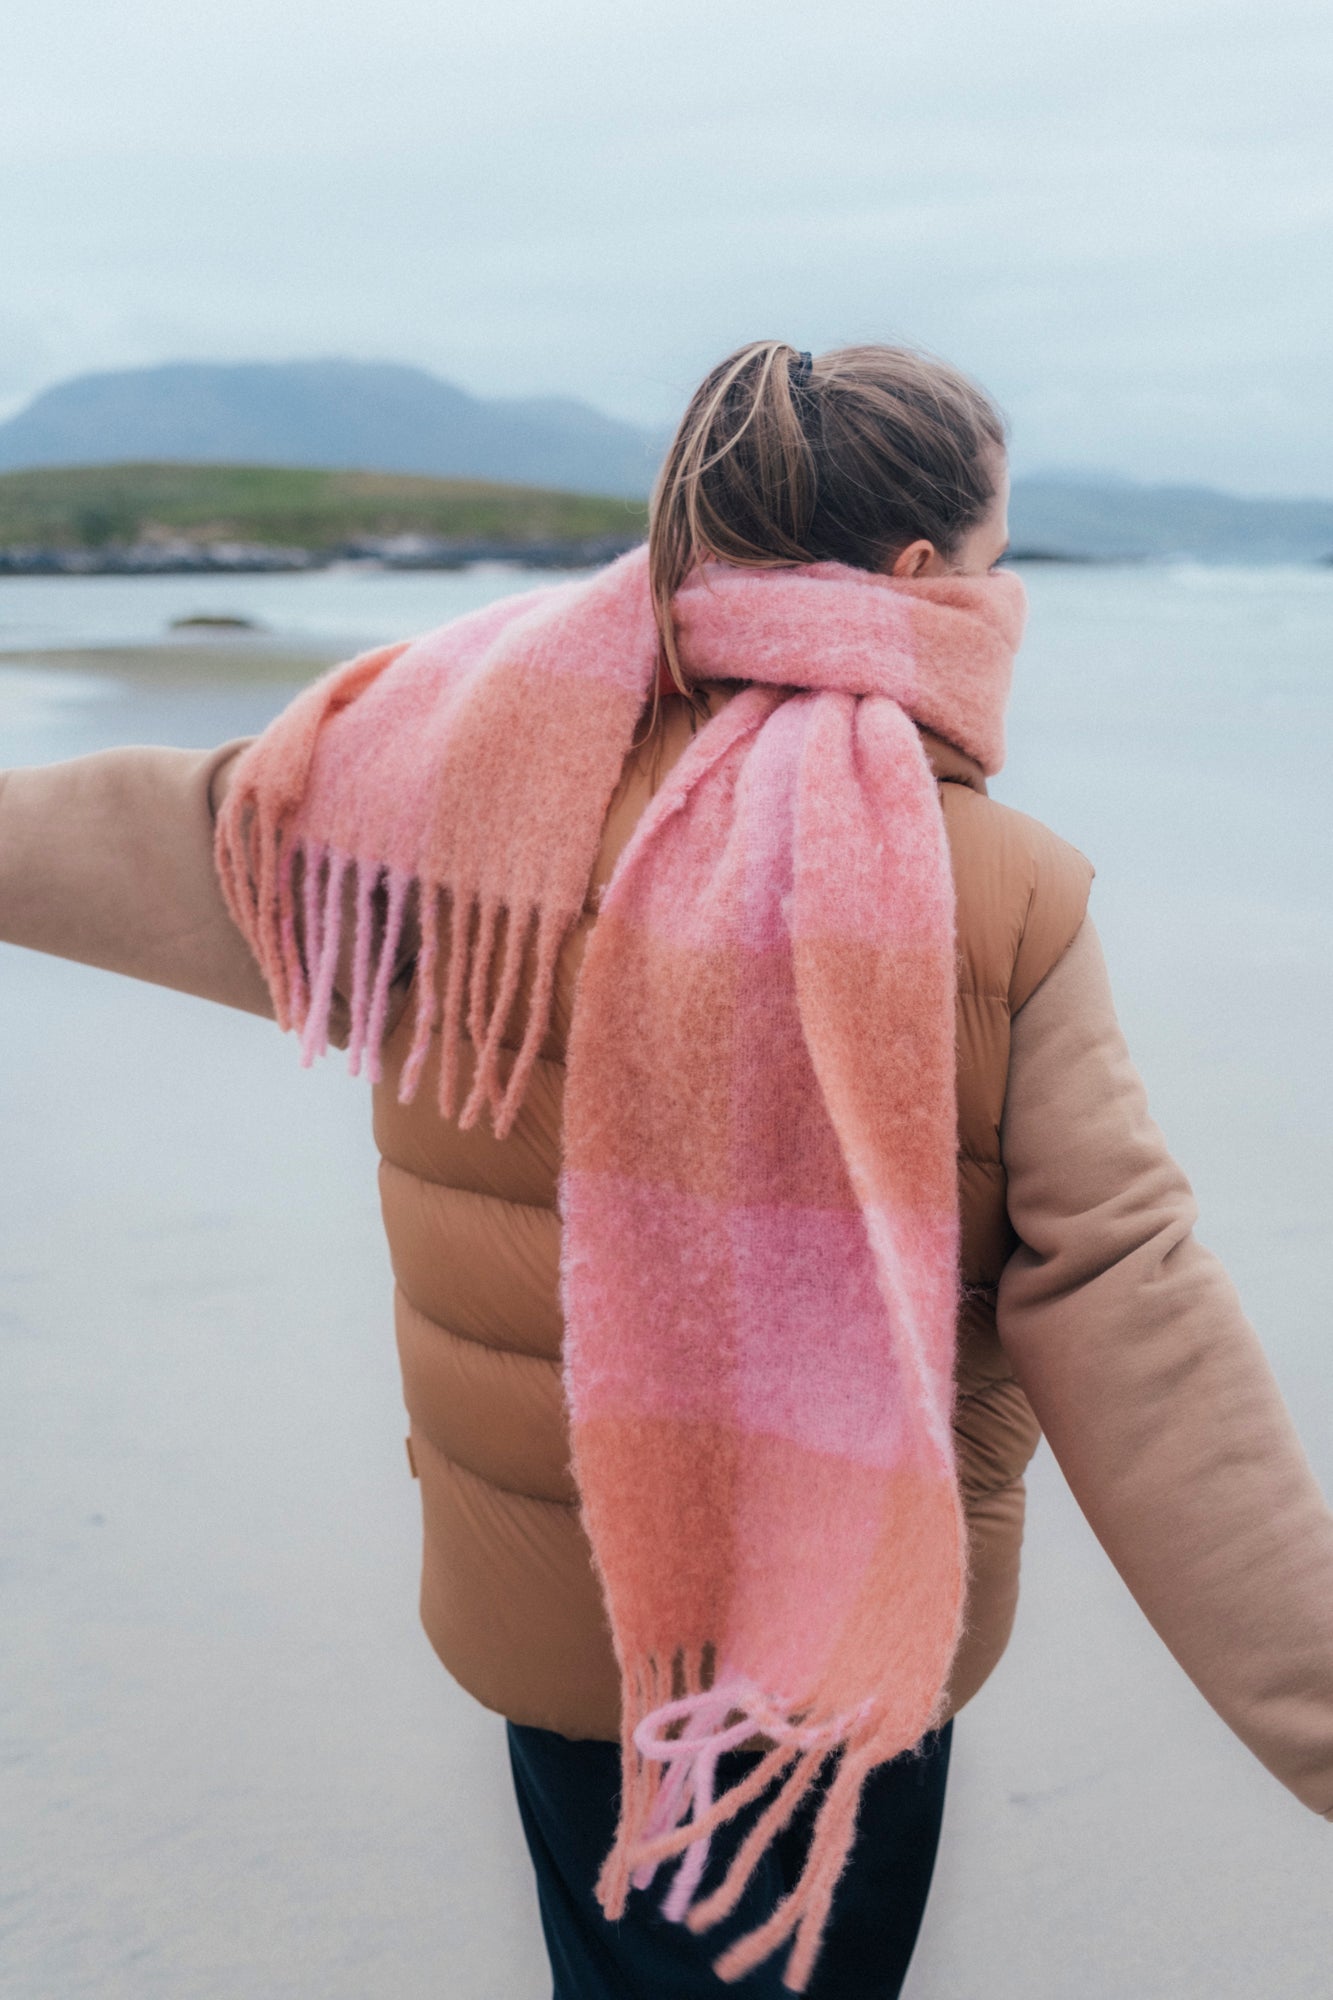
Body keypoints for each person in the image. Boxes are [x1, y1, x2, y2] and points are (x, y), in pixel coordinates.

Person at [2, 339, 1330, 1999]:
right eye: (996, 560)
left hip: (542, 1624)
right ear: (921, 575)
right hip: (834, 1650)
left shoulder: (447, 793)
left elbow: (133, 836)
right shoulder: (996, 888)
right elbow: (1132, 1309)